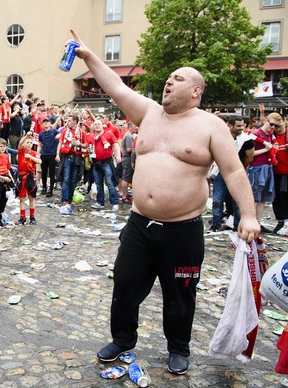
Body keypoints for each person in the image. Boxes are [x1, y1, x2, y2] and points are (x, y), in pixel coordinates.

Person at [69, 29, 259, 375]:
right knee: (125, 285)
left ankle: (178, 348)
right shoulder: (149, 113)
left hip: (183, 230)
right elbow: (116, 87)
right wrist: (89, 56)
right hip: (140, 224)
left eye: (178, 78)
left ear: (196, 90)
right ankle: (123, 339)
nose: (170, 82)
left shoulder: (211, 125)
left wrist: (248, 214)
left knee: (181, 293)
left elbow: (232, 171)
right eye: (169, 77)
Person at [210, 116, 254, 232]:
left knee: (237, 202)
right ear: (230, 125)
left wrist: (238, 167)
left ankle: (237, 226)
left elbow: (249, 157)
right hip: (220, 171)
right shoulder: (220, 137)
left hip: (237, 172)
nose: (241, 128)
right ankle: (216, 224)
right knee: (217, 200)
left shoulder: (246, 140)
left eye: (242, 125)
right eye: (238, 126)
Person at [56, 114, 87, 214]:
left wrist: (79, 144)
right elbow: (60, 143)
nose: (67, 122)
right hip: (67, 157)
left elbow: (86, 145)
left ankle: (70, 199)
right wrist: (58, 154)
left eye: (69, 120)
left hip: (77, 158)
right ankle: (64, 200)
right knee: (66, 179)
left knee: (74, 180)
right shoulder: (65, 131)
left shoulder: (81, 133)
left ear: (75, 121)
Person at [89, 118, 121, 211]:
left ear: (102, 125)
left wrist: (118, 155)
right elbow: (88, 146)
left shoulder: (109, 134)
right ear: (93, 126)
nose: (97, 125)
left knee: (110, 182)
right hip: (96, 163)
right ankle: (100, 202)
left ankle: (114, 203)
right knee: (98, 184)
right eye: (95, 124)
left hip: (106, 162)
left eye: (99, 124)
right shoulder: (91, 136)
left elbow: (115, 145)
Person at [16, 133, 41, 225]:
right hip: (22, 176)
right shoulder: (21, 151)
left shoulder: (33, 153)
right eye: (27, 142)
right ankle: (22, 217)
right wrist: (26, 136)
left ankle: (32, 216)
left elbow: (39, 161)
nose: (29, 144)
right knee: (22, 198)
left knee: (32, 197)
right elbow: (19, 144)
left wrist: (30, 157)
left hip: (31, 177)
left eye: (31, 142)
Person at [38, 117, 60, 197]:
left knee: (51, 172)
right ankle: (44, 188)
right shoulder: (41, 134)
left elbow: (60, 135)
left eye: (47, 122)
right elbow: (39, 145)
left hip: (52, 154)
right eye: (44, 122)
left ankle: (50, 189)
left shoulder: (54, 131)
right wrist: (38, 154)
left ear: (50, 124)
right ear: (42, 124)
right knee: (43, 172)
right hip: (44, 154)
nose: (46, 124)